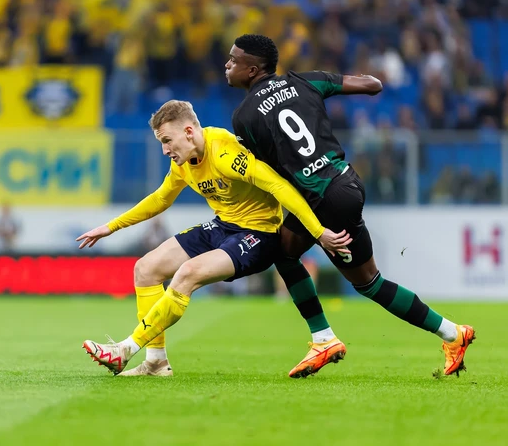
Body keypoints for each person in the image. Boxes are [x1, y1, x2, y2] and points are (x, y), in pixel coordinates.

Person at [225, 33, 475, 376]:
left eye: (234, 60)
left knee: (286, 254)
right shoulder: (305, 81)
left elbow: (269, 176)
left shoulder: (244, 117)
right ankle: (454, 333)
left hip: (320, 196)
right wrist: (347, 83)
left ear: (253, 70)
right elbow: (372, 85)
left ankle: (324, 338)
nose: (227, 65)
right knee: (367, 281)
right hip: (346, 183)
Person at [78, 100, 351, 376]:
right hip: (222, 226)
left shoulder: (224, 152)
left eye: (167, 141)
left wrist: (318, 232)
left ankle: (125, 349)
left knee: (187, 273)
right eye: (162, 143)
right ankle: (156, 363)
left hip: (258, 234)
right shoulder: (183, 163)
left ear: (188, 132)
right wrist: (111, 227)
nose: (165, 150)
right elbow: (161, 198)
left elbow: (277, 185)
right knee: (145, 269)